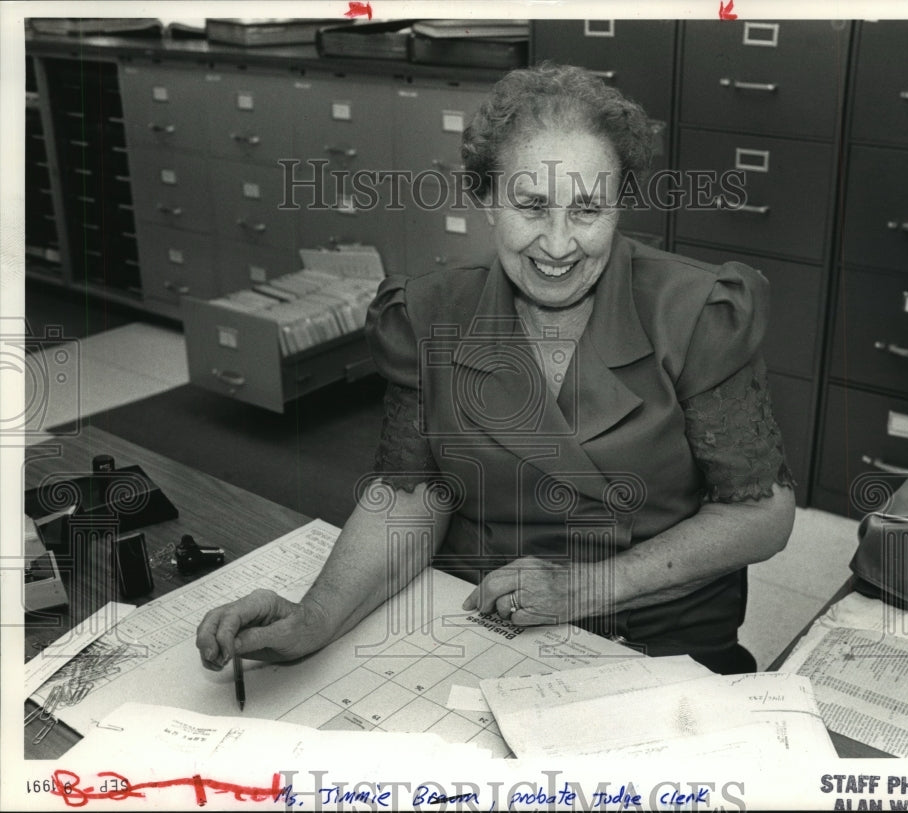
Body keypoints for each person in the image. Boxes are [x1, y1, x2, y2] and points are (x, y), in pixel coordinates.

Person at [197, 63, 796, 676]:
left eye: (587, 210)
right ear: (486, 199)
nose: (558, 244)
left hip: (656, 634)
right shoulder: (430, 314)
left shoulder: (696, 311)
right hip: (483, 621)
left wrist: (585, 588)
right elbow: (412, 495)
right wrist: (314, 618)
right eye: (532, 206)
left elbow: (761, 515)